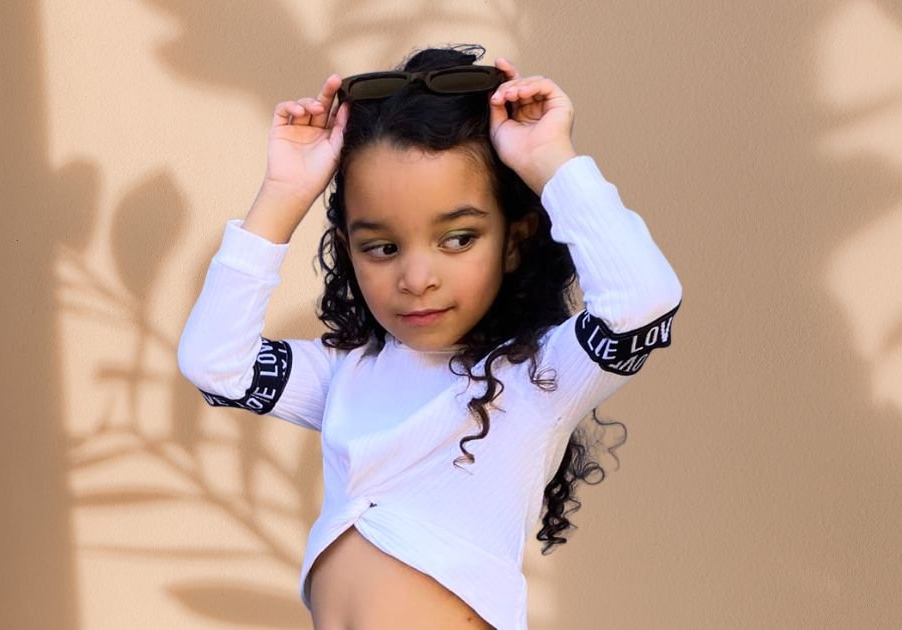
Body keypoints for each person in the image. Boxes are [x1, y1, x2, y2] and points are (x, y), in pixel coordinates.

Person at [177, 43, 682, 630]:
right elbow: (216, 365)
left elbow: (644, 304)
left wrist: (549, 160)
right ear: (347, 251)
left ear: (515, 241)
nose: (417, 279)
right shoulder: (348, 373)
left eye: (459, 239)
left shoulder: (538, 378)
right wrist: (284, 193)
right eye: (382, 247)